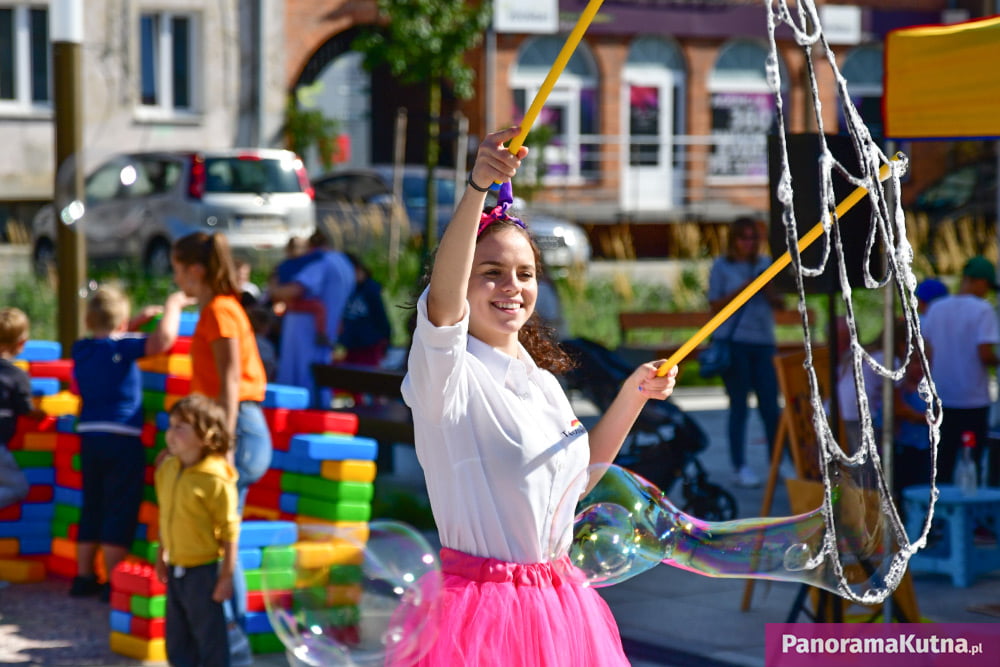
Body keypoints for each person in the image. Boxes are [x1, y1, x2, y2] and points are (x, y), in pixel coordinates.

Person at [398, 127, 677, 666]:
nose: (513, 286)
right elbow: (444, 307)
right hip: (481, 616)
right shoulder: (446, 377)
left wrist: (633, 394)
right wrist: (477, 187)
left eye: (525, 274)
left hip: (560, 606)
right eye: (491, 273)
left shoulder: (542, 382)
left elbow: (577, 481)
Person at [168, 231, 271, 664]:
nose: (176, 280)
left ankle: (231, 645)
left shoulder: (221, 310)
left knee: (224, 539)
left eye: (177, 270)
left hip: (237, 429)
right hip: (228, 428)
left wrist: (224, 443)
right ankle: (225, 643)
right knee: (223, 537)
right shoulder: (216, 308)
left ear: (195, 270)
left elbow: (230, 382)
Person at [69, 286, 187, 601]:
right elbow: (163, 340)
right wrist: (173, 304)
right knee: (118, 508)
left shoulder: (82, 348)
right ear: (122, 323)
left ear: (87, 319)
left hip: (90, 436)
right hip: (122, 438)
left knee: (93, 504)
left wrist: (130, 323)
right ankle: (112, 582)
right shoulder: (124, 347)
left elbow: (108, 341)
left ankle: (83, 577)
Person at [154, 394, 240, 667]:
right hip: (176, 567)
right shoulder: (167, 468)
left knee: (210, 640)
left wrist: (225, 577)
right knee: (177, 641)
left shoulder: (215, 478)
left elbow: (229, 530)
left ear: (206, 435)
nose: (171, 433)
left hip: (203, 572)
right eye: (171, 426)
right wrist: (161, 556)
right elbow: (165, 515)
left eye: (181, 427)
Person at [707, 216, 782, 488]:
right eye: (744, 237)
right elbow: (714, 305)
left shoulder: (766, 264)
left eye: (754, 238)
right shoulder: (722, 266)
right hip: (735, 343)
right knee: (739, 407)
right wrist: (746, 287)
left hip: (763, 343)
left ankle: (777, 464)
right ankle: (739, 466)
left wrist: (769, 289)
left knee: (771, 408)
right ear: (734, 240)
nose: (749, 243)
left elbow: (780, 304)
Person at [922, 255, 1000, 484]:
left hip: (941, 397)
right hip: (972, 400)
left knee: (942, 463)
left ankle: (939, 505)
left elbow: (927, 352)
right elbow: (984, 354)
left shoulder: (936, 308)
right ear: (979, 282)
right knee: (972, 462)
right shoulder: (983, 310)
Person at [270, 231, 355, 407]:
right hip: (327, 331)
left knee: (302, 378)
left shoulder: (319, 262)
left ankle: (307, 416)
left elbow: (296, 290)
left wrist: (274, 289)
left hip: (306, 333)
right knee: (319, 378)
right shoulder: (344, 262)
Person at [0, 308, 44, 511]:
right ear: (21, 343)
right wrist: (41, 412)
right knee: (18, 488)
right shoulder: (17, 375)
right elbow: (26, 409)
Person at [338, 253, 392, 366]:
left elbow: (381, 317)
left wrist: (386, 341)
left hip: (369, 345)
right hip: (352, 345)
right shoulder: (349, 289)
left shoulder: (371, 289)